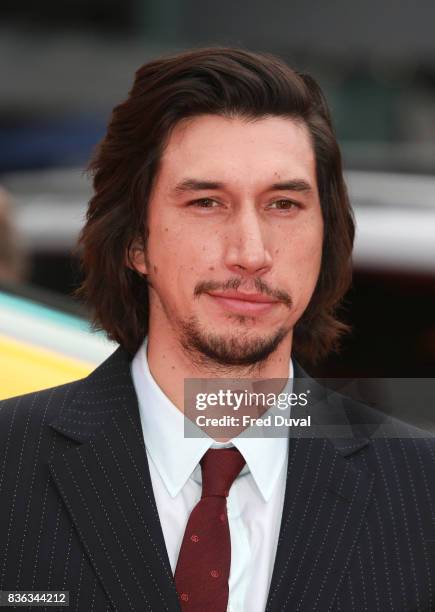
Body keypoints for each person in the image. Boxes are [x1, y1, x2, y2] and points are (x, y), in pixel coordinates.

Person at [0, 47, 434, 612]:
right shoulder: (11, 466)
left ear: (325, 237)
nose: (251, 253)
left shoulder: (421, 494)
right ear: (135, 241)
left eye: (283, 204)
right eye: (206, 202)